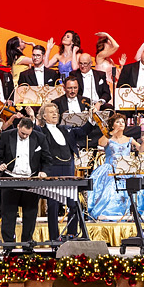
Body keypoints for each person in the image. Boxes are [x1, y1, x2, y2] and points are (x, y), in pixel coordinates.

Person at [0, 116, 49, 247]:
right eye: (22, 133)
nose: (24, 136)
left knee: (30, 214)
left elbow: (47, 158)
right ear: (18, 127)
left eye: (27, 134)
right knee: (9, 214)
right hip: (10, 178)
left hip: (31, 180)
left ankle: (27, 244)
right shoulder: (6, 136)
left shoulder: (40, 137)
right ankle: (9, 246)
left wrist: (44, 171)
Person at [36, 103, 82, 241]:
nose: (55, 114)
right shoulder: (41, 131)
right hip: (52, 169)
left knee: (74, 203)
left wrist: (92, 120)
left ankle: (72, 233)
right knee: (53, 205)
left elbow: (83, 132)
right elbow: (34, 130)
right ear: (44, 116)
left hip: (68, 168)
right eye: (51, 112)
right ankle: (54, 237)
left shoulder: (66, 129)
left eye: (56, 111)